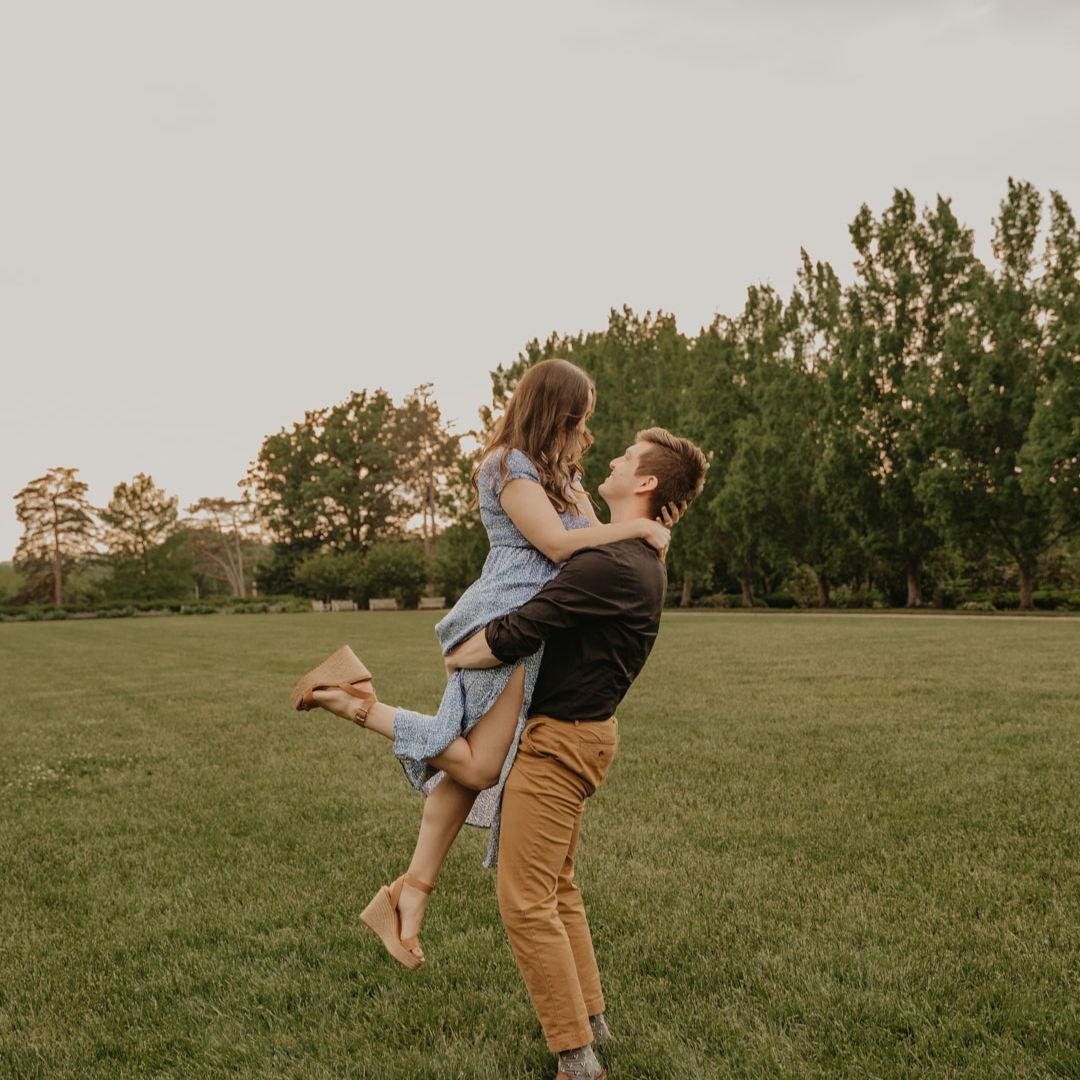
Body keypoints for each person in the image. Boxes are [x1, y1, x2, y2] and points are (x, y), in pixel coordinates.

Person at [290, 359, 678, 970]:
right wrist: (638, 533)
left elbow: (597, 551)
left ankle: (408, 897)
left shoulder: (562, 476)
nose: (585, 432)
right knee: (480, 763)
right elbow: (558, 546)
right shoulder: (508, 465)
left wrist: (643, 526)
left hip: (533, 627)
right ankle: (352, 699)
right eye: (579, 419)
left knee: (468, 773)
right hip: (503, 621)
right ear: (555, 412)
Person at [442, 425, 708, 1080]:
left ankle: (576, 1058)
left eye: (626, 458)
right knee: (557, 886)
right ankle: (591, 1021)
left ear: (645, 482)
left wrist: (458, 653)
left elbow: (517, 631)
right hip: (583, 735)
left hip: (559, 743)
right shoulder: (634, 556)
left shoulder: (609, 564)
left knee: (525, 899)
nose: (611, 459)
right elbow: (580, 528)